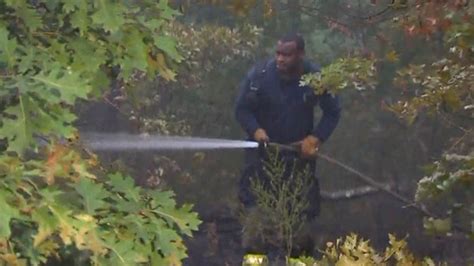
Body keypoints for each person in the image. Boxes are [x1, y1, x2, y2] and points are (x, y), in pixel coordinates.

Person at [234, 33, 341, 261]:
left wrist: (315, 138)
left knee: (299, 236)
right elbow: (241, 110)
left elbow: (333, 111)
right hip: (260, 165)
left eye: (287, 54)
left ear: (300, 54)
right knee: (256, 235)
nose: (280, 59)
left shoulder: (315, 77)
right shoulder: (259, 76)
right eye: (278, 53)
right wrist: (256, 130)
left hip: (298, 166)